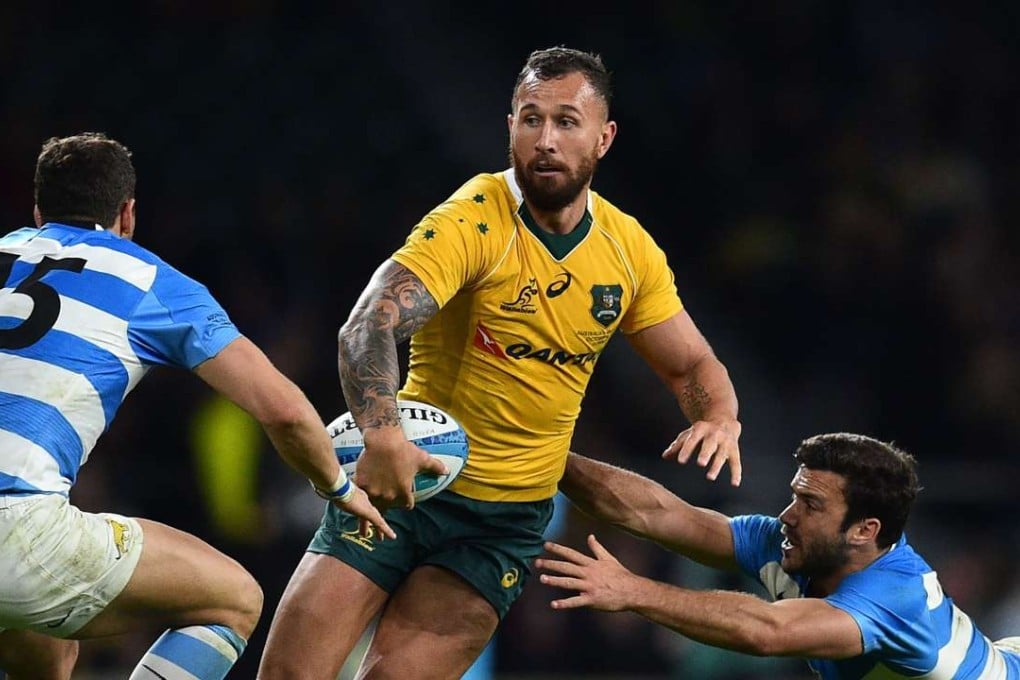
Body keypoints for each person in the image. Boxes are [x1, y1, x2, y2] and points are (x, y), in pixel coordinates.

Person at [259, 46, 742, 679]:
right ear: (509, 124)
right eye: (530, 119)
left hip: (504, 524)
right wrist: (383, 437)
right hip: (408, 484)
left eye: (567, 122)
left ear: (604, 138)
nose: (545, 139)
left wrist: (719, 417)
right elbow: (365, 326)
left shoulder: (629, 252)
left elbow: (694, 366)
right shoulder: (473, 220)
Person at [0, 132, 394, 680]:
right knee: (234, 598)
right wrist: (340, 488)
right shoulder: (149, 279)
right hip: (17, 526)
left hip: (18, 552)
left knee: (41, 650)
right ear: (128, 214)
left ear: (38, 211)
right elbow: (281, 409)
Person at [539, 433, 1020, 678]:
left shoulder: (896, 598)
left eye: (811, 505)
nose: (787, 516)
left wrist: (634, 591)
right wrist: (542, 455)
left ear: (864, 530)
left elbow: (769, 630)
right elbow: (660, 514)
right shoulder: (794, 545)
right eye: (795, 495)